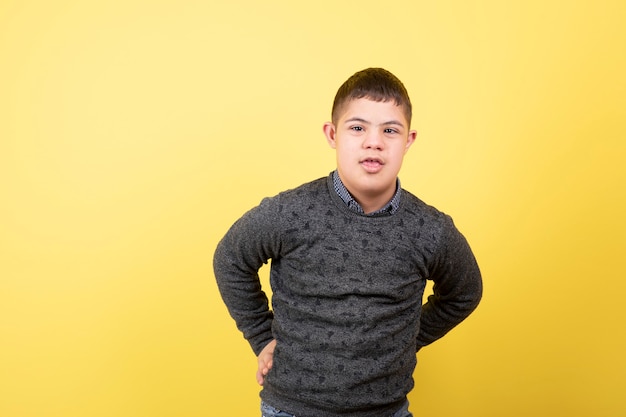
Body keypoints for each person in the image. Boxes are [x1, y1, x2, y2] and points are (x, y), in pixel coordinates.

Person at [213, 68, 483, 417]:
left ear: (409, 140)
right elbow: (230, 259)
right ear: (332, 134)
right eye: (357, 128)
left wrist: (406, 339)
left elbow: (465, 293)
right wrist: (261, 337)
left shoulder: (430, 230)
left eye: (390, 130)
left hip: (387, 411)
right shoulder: (290, 212)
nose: (374, 141)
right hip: (292, 409)